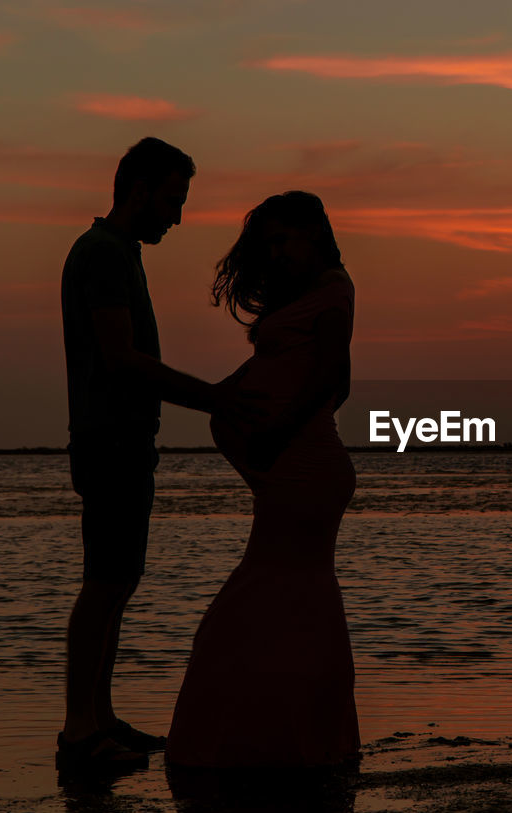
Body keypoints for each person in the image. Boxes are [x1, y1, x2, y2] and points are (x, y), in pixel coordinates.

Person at [58, 137, 257, 772]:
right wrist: (214, 399)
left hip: (126, 439)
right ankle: (79, 731)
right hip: (108, 439)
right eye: (173, 200)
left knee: (121, 579)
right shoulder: (102, 254)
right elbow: (121, 359)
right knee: (105, 581)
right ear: (139, 190)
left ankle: (101, 716)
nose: (178, 216)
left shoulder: (122, 253)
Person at [165, 191, 360, 770]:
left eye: (282, 241)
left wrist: (279, 431)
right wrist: (229, 400)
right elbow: (314, 375)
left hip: (303, 471)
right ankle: (294, 738)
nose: (274, 254)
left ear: (315, 235)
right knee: (292, 602)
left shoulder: (333, 291)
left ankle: (278, 741)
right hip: (291, 471)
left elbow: (331, 376)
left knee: (269, 599)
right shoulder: (305, 297)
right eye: (266, 244)